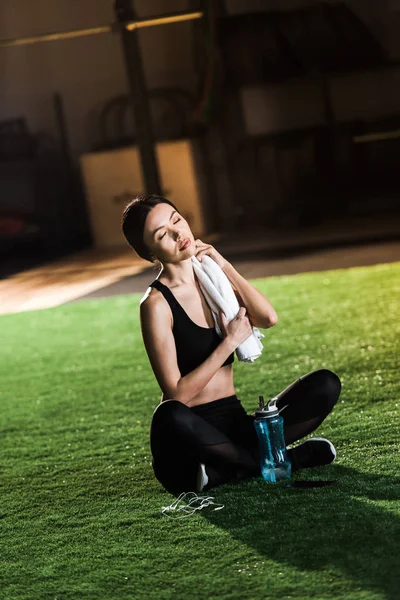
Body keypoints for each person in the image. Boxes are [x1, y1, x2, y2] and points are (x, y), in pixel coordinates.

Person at [121, 195, 342, 496]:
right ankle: (280, 459)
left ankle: (230, 467)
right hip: (191, 432)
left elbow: (267, 317)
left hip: (235, 423)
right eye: (162, 235)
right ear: (150, 253)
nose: (177, 233)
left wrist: (223, 263)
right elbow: (176, 394)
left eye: (176, 220)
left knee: (325, 384)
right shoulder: (156, 304)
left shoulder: (211, 277)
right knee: (167, 414)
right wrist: (229, 343)